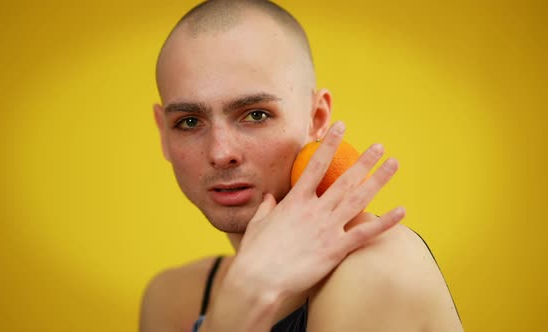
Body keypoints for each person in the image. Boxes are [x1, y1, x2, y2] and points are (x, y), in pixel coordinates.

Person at [140, 1, 463, 331]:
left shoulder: (376, 271)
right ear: (164, 133)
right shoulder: (172, 295)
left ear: (316, 118)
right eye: (190, 121)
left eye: (256, 115)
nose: (221, 153)